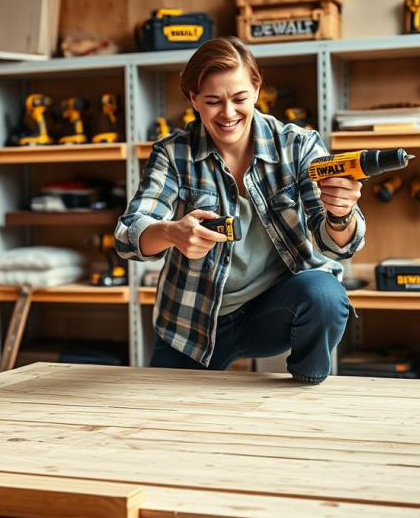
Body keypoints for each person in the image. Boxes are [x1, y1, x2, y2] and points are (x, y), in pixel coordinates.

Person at [115, 37, 363, 382]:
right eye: (213, 101)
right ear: (193, 100)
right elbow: (127, 235)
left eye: (239, 98)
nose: (228, 113)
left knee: (325, 295)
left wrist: (341, 214)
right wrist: (171, 232)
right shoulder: (173, 153)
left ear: (257, 89)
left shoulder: (298, 145)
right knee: (166, 417)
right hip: (192, 322)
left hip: (273, 311)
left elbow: (341, 245)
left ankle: (308, 386)